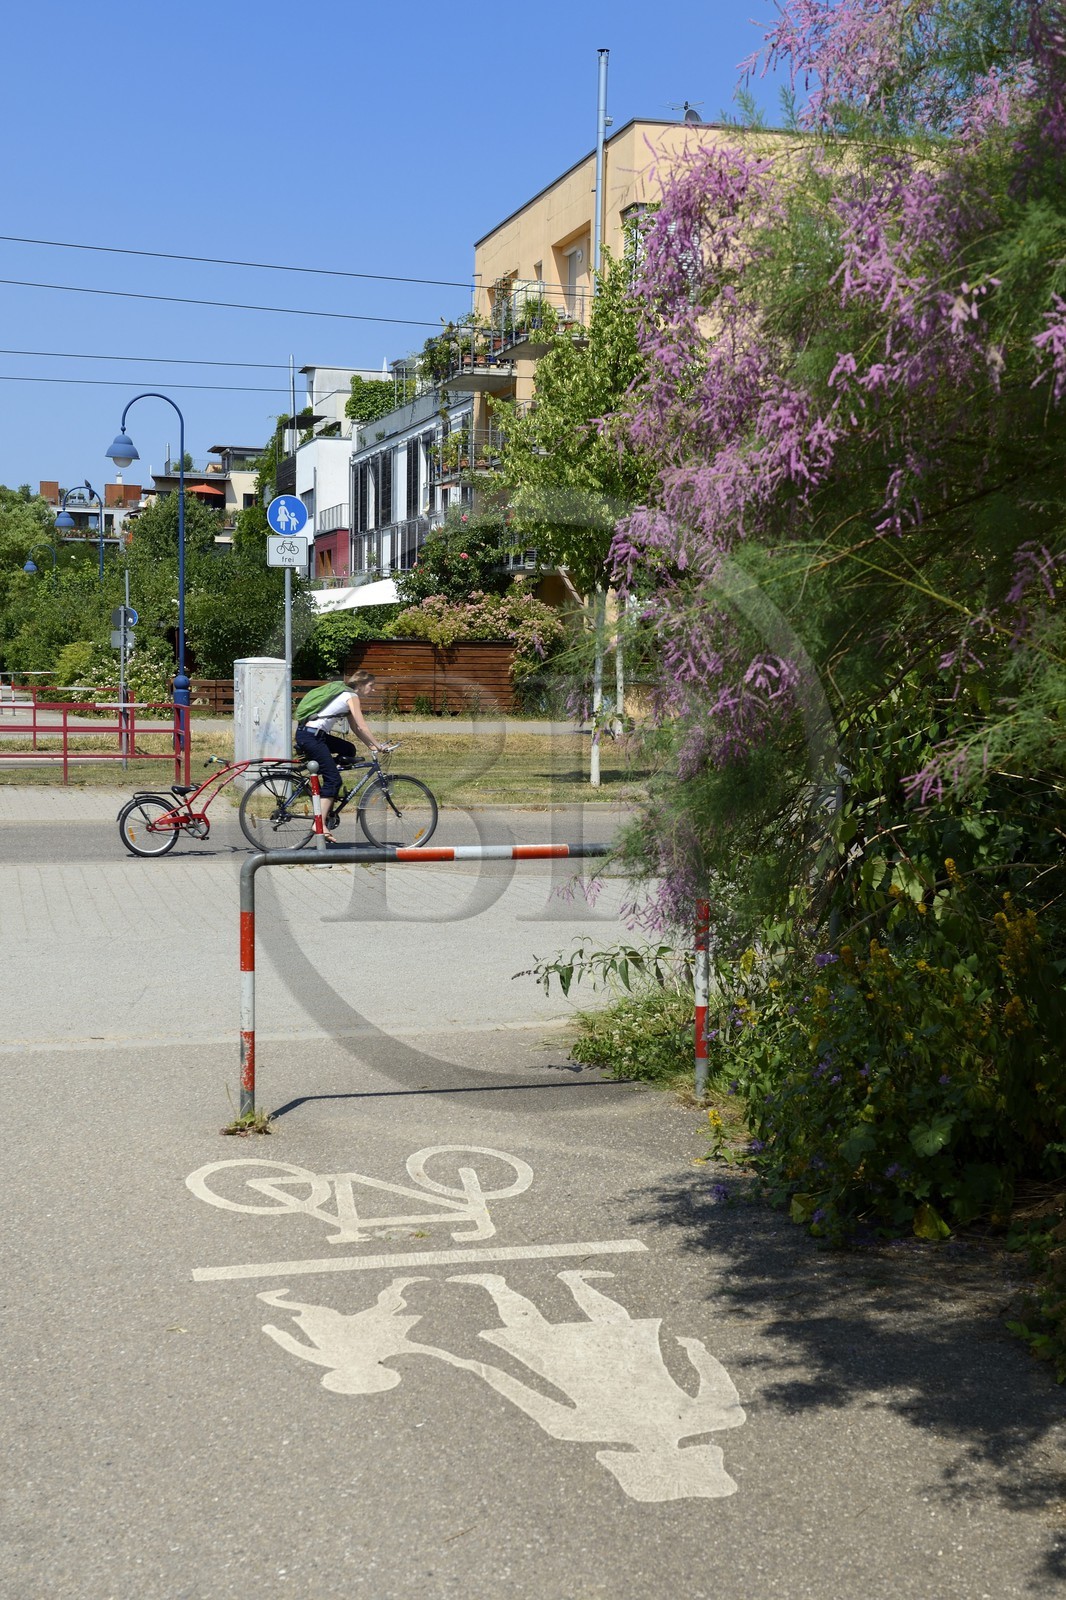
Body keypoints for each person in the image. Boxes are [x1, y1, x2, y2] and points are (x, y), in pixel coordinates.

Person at [294, 670, 385, 841]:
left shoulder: (345, 694)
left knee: (348, 750)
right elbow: (363, 726)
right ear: (359, 685)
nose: (373, 690)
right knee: (334, 780)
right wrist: (379, 746)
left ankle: (327, 789)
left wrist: (371, 746)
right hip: (312, 736)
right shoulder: (351, 696)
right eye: (371, 686)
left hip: (311, 734)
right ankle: (319, 823)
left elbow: (356, 730)